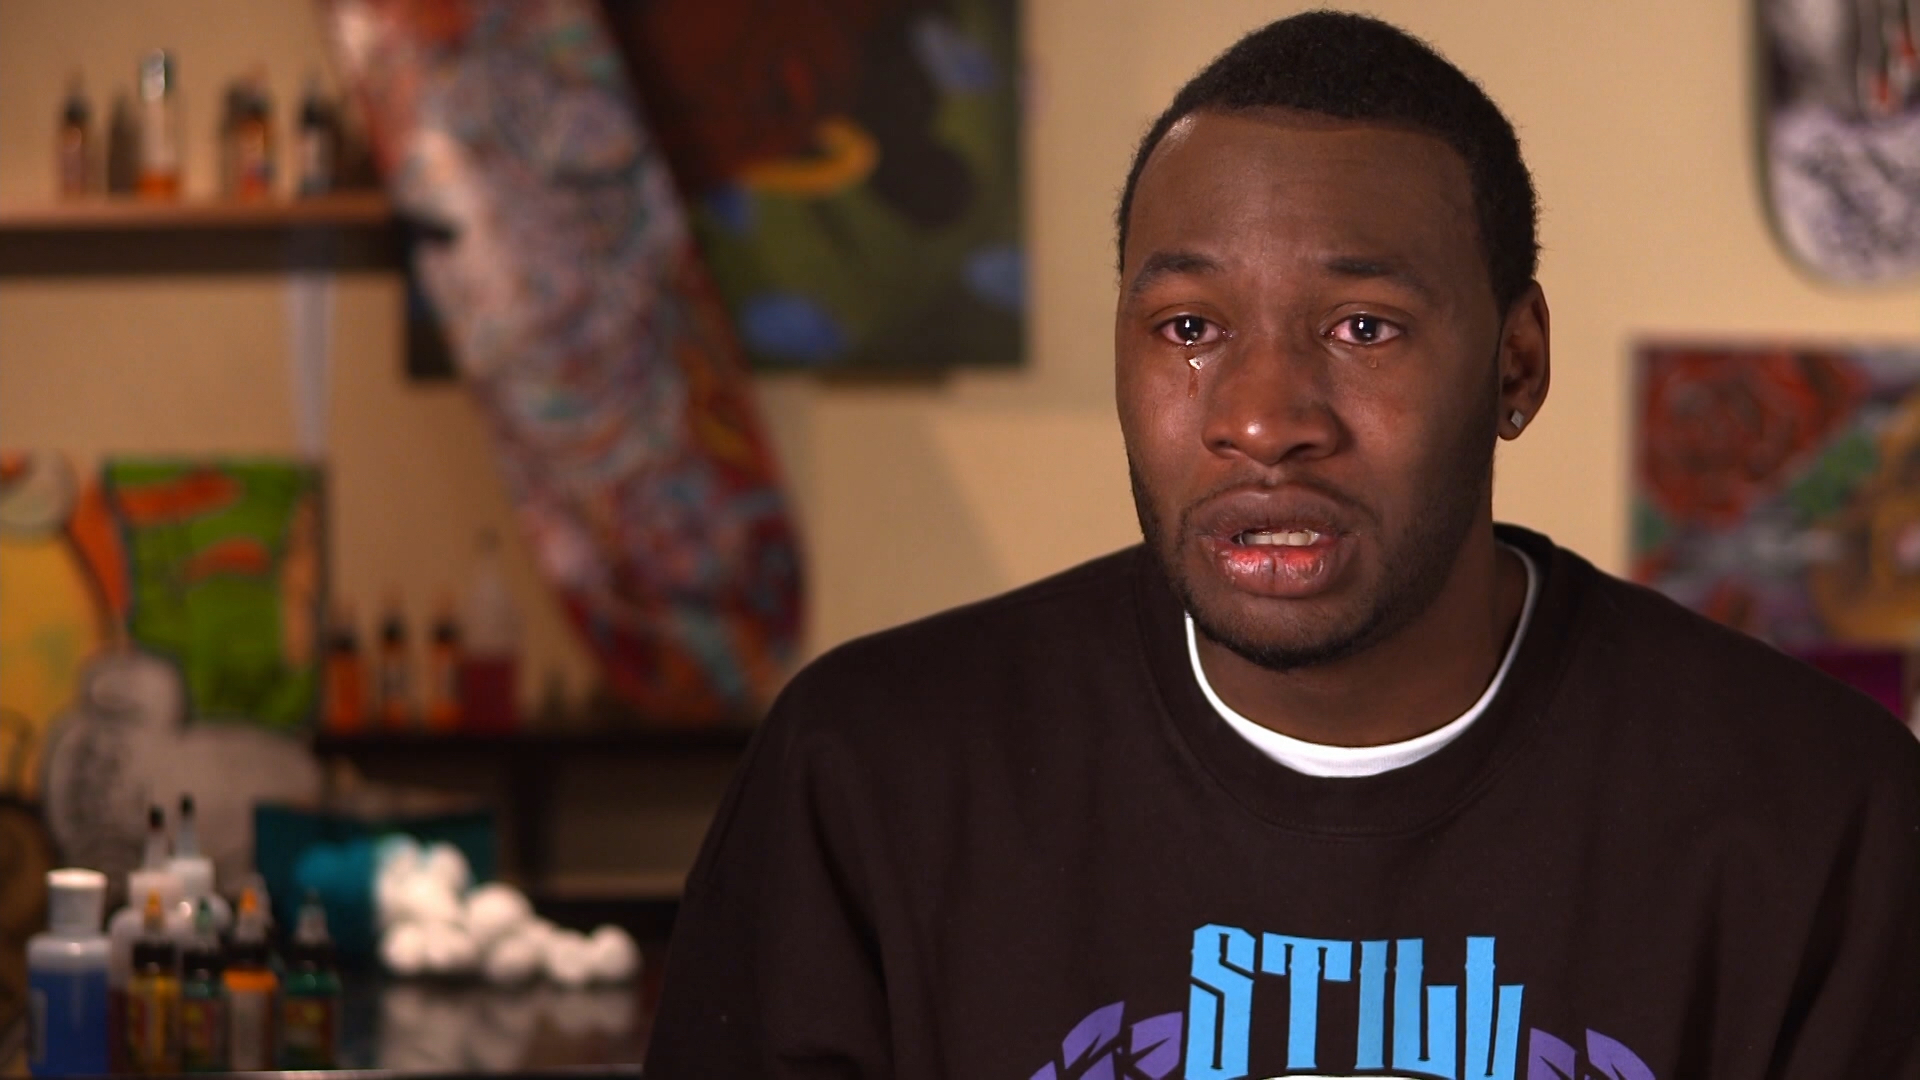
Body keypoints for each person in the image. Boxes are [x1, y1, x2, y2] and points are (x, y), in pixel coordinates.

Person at [645, 11, 1920, 1079]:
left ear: (1516, 364)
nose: (1262, 421)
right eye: (1189, 329)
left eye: (1363, 328)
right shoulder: (870, 781)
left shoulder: (1821, 822)